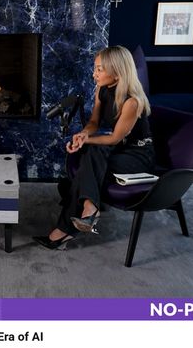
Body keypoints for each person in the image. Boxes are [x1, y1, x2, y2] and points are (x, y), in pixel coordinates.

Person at [33, 45, 154, 250]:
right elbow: (94, 123)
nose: (94, 74)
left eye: (99, 69)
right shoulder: (102, 90)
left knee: (91, 154)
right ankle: (88, 209)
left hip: (137, 155)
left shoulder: (132, 102)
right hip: (119, 150)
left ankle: (70, 225)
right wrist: (82, 135)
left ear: (117, 73)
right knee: (89, 151)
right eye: (95, 68)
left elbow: (114, 139)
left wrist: (87, 141)